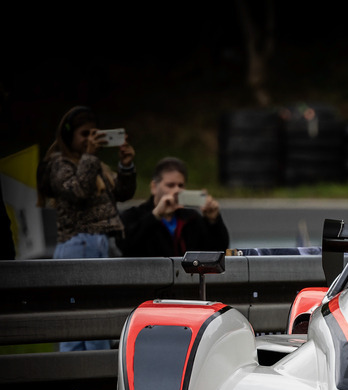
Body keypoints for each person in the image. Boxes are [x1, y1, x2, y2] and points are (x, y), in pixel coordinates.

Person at [36, 105, 137, 350]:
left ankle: (93, 373)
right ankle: (77, 374)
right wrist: (90, 157)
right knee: (79, 319)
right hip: (77, 242)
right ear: (69, 136)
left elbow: (122, 194)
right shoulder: (59, 164)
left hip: (98, 241)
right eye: (84, 134)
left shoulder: (94, 165)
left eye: (95, 133)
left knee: (96, 315)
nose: (91, 139)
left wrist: (125, 165)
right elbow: (77, 193)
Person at [118, 157, 230, 257]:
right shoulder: (134, 215)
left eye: (181, 185)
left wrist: (213, 221)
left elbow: (218, 251)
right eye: (170, 185)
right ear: (154, 187)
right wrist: (155, 216)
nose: (177, 190)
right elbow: (125, 245)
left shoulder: (191, 218)